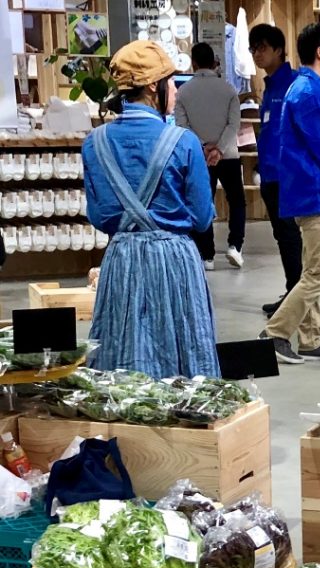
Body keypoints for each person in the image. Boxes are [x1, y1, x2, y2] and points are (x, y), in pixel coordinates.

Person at [83, 41, 218, 378]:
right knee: (184, 357)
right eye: (171, 81)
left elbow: (100, 217)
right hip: (175, 261)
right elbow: (202, 219)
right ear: (152, 86)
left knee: (119, 353)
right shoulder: (184, 141)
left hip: (121, 259)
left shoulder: (94, 143)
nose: (174, 90)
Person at [261, 23, 320, 365]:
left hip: (310, 190)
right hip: (316, 192)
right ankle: (275, 333)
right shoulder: (309, 91)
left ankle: (312, 339)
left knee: (311, 269)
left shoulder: (301, 88)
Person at [175, 42, 245, 270]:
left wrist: (205, 146)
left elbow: (182, 126)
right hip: (230, 155)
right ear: (214, 62)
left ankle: (207, 255)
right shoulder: (228, 90)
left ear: (193, 62)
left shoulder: (183, 92)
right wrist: (220, 148)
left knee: (202, 201)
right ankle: (235, 245)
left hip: (199, 157)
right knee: (236, 201)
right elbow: (234, 124)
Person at [249, 23, 302, 318]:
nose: (257, 54)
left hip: (289, 178)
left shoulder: (294, 84)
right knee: (282, 236)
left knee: (292, 237)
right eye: (253, 49)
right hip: (270, 175)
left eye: (262, 48)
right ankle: (291, 291)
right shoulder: (269, 87)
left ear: (279, 50)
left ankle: (297, 297)